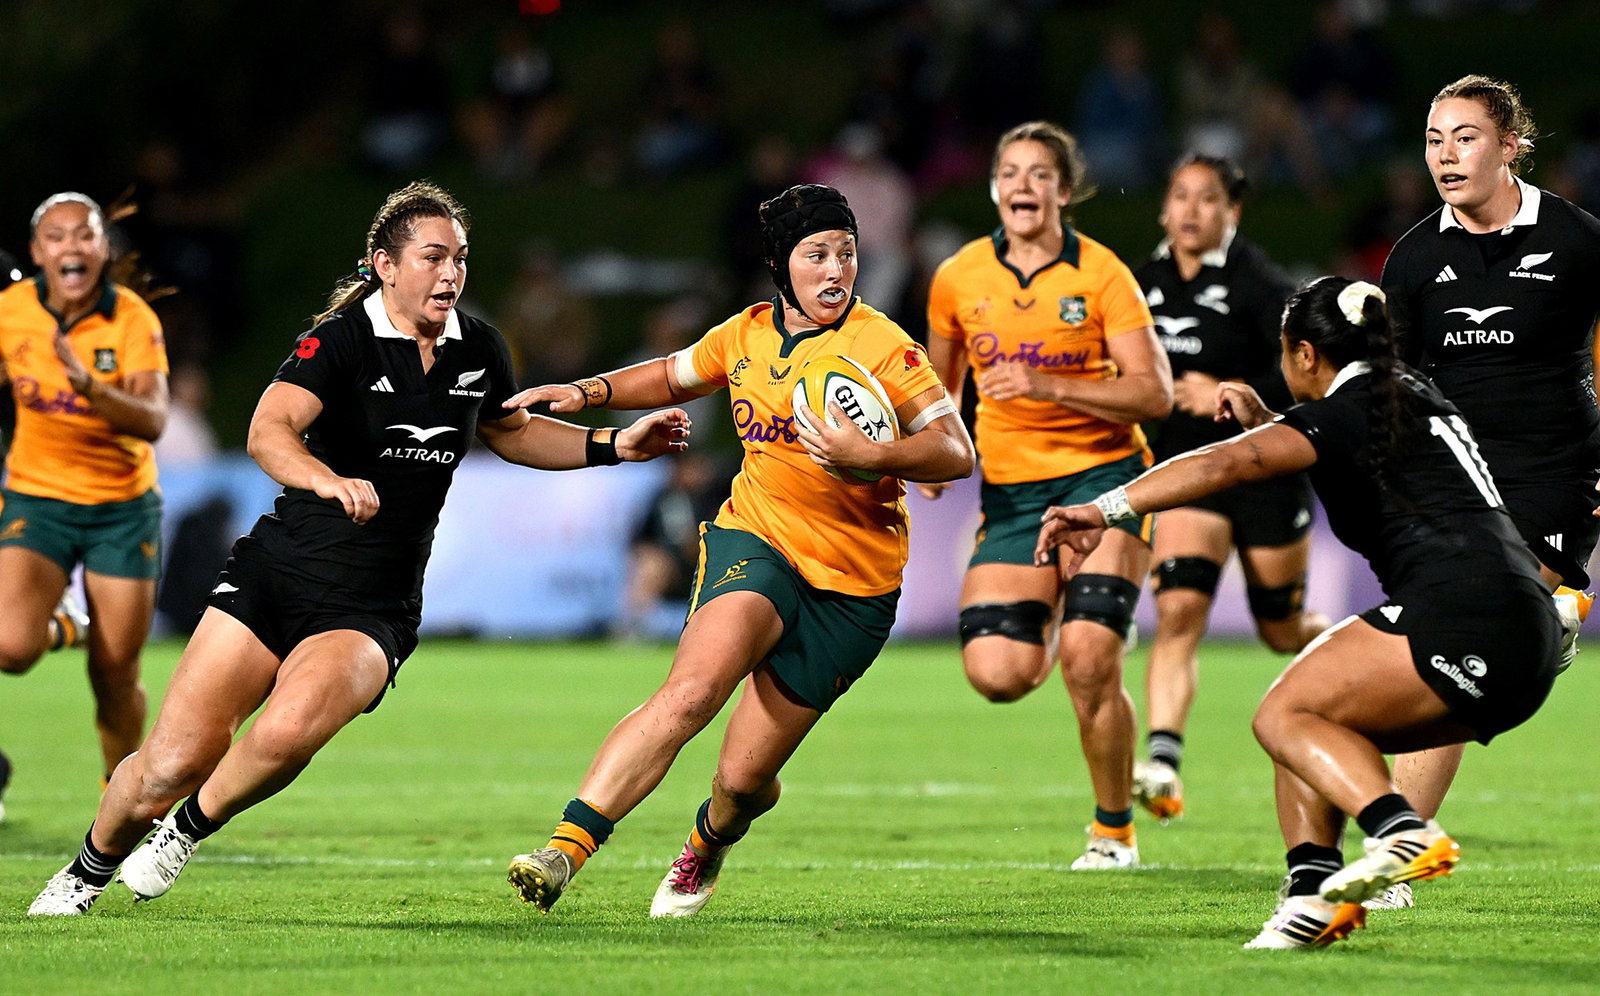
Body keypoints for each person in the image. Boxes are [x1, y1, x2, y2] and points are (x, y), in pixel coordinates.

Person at [27, 181, 689, 915]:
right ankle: (86, 870)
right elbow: (267, 430)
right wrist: (327, 478)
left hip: (374, 599)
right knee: (168, 763)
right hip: (278, 572)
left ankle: (187, 829)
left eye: (460, 259)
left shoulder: (479, 349)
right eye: (433, 257)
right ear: (385, 264)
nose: (450, 274)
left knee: (286, 733)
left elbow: (509, 432)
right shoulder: (339, 340)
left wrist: (613, 445)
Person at [1036, 277, 1560, 949]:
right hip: (1527, 632)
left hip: (1462, 615)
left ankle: (1401, 831)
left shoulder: (1347, 410)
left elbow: (1232, 463)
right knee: (1309, 714)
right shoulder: (1410, 396)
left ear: (1306, 355)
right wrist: (1274, 422)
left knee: (1281, 716)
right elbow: (1333, 452)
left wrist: (1103, 509)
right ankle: (1311, 900)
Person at [502, 184, 973, 917]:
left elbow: (955, 451)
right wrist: (588, 391)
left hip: (853, 585)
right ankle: (564, 848)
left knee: (744, 782)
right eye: (817, 254)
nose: (836, 270)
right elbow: (670, 373)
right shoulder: (746, 334)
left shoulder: (882, 343)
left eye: (846, 253)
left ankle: (709, 841)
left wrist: (873, 454)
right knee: (690, 693)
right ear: (782, 266)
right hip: (756, 538)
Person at [922, 121, 1173, 868]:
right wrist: (932, 456)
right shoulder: (958, 276)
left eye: (1039, 174)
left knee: (1090, 662)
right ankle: (1080, 606)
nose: (1022, 185)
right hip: (1013, 495)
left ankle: (1113, 833)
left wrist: (1048, 384)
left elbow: (1154, 394)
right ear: (994, 187)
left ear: (1065, 191)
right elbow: (940, 389)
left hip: (1106, 482)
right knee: (997, 677)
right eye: (1009, 172)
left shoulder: (1100, 275)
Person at [1380, 75, 1600, 896]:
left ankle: (1396, 853)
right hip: (1454, 482)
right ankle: (1551, 625)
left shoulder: (1577, 241)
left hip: (1556, 474)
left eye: (1465, 137)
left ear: (1512, 145)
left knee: (1467, 637)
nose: (1446, 156)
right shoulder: (1414, 256)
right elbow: (1390, 381)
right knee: (1448, 654)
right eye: (1435, 139)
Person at [1131, 154, 1328, 821]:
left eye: (1208, 198)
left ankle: (1343, 643)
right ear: (1163, 208)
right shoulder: (1139, 285)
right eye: (1179, 196)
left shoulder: (1264, 285)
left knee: (1280, 631)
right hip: (1190, 469)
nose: (1190, 210)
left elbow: (1305, 377)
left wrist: (1230, 392)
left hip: (1264, 471)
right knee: (1180, 611)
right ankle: (1161, 761)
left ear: (1233, 211)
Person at [0, 193, 170, 817]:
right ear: (37, 251)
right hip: (37, 499)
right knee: (10, 648)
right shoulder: (10, 312)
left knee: (116, 672)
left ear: (103, 248)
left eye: (84, 236)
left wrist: (88, 387)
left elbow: (153, 420)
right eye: (56, 237)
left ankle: (118, 798)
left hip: (121, 508)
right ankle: (67, 621)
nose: (71, 247)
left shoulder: (131, 320)